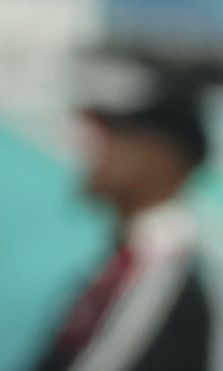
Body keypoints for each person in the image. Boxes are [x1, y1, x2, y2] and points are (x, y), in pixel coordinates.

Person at [30, 63, 213, 371]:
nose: (92, 147)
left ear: (161, 157)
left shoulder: (162, 276)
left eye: (113, 133)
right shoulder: (132, 266)